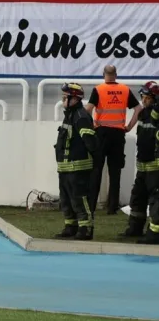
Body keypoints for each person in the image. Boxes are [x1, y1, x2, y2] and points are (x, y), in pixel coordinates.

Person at [87, 65, 139, 214]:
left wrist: (92, 128)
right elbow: (138, 109)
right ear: (116, 74)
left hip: (101, 133)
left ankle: (91, 207)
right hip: (118, 133)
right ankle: (112, 208)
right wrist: (129, 126)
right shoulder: (125, 89)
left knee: (96, 170)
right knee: (115, 172)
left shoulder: (98, 89)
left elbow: (88, 110)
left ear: (104, 74)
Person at [54, 82, 99, 240]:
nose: (63, 100)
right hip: (66, 168)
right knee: (66, 199)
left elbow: (91, 143)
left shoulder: (81, 116)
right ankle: (70, 226)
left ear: (74, 99)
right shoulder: (70, 115)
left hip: (78, 168)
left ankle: (85, 228)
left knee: (80, 199)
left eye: (65, 97)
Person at [122, 81, 159, 242]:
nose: (143, 100)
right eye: (142, 97)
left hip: (155, 167)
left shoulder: (156, 115)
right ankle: (135, 228)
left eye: (146, 97)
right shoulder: (143, 113)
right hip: (142, 165)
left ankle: (154, 234)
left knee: (155, 202)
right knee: (137, 199)